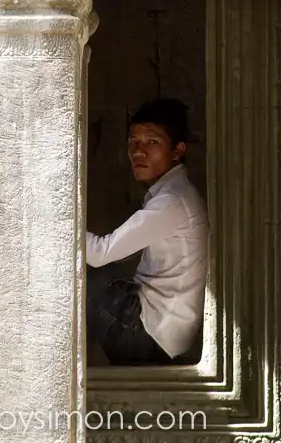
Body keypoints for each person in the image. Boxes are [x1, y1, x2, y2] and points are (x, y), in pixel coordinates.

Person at [86, 98, 209, 365]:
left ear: (177, 150)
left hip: (152, 339)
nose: (138, 151)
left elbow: (99, 253)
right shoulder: (175, 192)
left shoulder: (171, 201)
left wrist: (56, 224)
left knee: (86, 276)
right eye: (133, 141)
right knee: (107, 275)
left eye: (152, 142)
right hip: (169, 334)